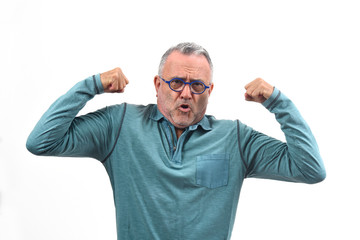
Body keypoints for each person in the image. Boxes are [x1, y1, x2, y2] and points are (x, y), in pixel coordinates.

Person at [26, 42, 326, 239]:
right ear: (158, 85)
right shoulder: (119, 125)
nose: (186, 93)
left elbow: (311, 170)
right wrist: (90, 86)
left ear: (210, 91)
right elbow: (42, 141)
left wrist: (278, 102)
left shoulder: (235, 139)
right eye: (176, 83)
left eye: (197, 85)